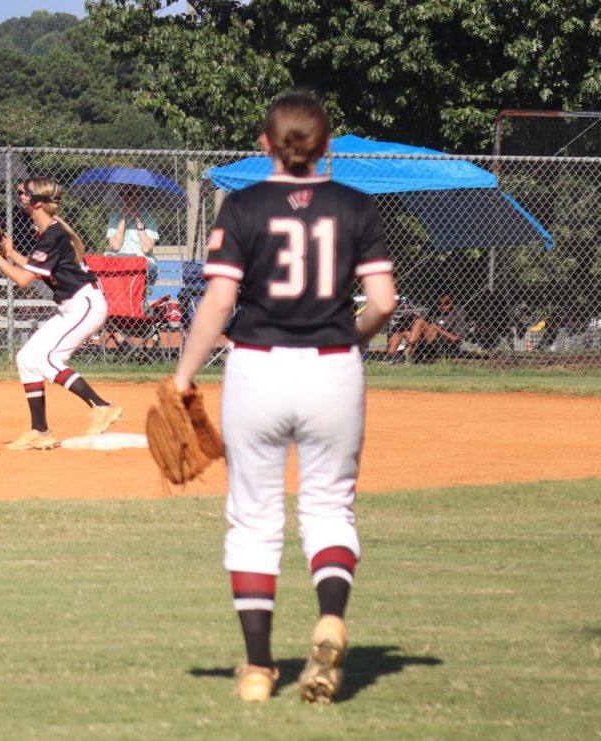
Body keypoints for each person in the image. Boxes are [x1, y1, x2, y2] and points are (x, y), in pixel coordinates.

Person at [171, 92, 396, 704]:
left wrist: (183, 375)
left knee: (254, 520)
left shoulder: (243, 206)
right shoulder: (356, 206)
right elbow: (383, 302)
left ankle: (256, 668)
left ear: (264, 144)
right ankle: (329, 614)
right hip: (332, 370)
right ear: (327, 147)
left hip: (258, 369)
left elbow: (219, 303)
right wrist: (352, 340)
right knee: (328, 509)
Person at [0, 177, 124, 450]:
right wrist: (10, 252)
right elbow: (35, 272)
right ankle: (40, 430)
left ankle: (102, 406)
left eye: (24, 193)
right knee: (26, 358)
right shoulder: (50, 231)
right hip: (72, 306)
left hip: (85, 304)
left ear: (36, 202)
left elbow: (23, 280)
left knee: (49, 359)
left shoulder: (52, 234)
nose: (19, 196)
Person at [393, 286, 467, 363]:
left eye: (447, 303)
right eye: (439, 304)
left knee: (419, 322)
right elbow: (421, 326)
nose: (443, 306)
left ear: (453, 300)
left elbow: (457, 339)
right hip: (427, 343)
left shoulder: (458, 312)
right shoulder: (434, 311)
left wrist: (437, 328)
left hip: (444, 346)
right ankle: (391, 355)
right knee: (399, 327)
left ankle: (406, 355)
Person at [105, 184, 160, 286]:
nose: (126, 198)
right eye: (122, 194)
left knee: (141, 266)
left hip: (141, 259)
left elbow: (147, 248)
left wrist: (138, 219)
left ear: (138, 195)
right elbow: (116, 246)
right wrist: (123, 218)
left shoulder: (148, 216)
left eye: (130, 194)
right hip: (119, 259)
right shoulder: (114, 216)